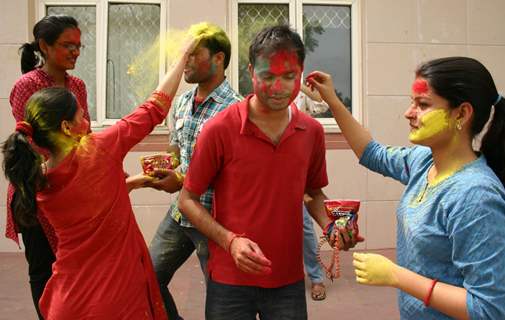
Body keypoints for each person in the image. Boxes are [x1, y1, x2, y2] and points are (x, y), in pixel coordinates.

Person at [2, 39, 196, 319]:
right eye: (81, 114)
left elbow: (91, 203)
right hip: (114, 297)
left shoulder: (38, 178)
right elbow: (155, 107)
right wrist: (182, 56)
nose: (88, 121)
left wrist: (137, 181)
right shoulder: (99, 149)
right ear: (67, 127)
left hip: (68, 300)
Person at [178, 25, 358, 319]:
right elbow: (187, 200)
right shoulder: (219, 129)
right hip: (229, 280)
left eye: (289, 77)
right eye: (267, 76)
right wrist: (230, 241)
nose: (279, 88)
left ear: (301, 72)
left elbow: (313, 194)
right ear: (251, 72)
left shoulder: (310, 131)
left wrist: (332, 226)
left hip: (287, 281)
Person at [307, 57, 505, 319]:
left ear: (462, 113)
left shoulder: (476, 196)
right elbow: (372, 153)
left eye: (422, 104)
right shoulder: (425, 161)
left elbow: (489, 309)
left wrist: (397, 276)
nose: (408, 112)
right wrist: (332, 101)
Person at [146, 22, 241, 320]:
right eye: (182, 53)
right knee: (146, 280)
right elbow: (177, 153)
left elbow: (233, 173)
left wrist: (180, 180)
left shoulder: (236, 111)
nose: (183, 60)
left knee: (223, 304)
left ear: (218, 59)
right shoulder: (182, 102)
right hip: (179, 214)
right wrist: (161, 168)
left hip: (214, 220)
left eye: (192, 53)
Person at [6, 14, 90, 319]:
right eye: (68, 45)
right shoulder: (27, 86)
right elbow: (34, 144)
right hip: (36, 192)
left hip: (70, 191)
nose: (75, 52)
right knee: (43, 270)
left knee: (73, 266)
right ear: (44, 45)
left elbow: (85, 135)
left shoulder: (77, 86)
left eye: (79, 46)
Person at [296, 86, 330, 301]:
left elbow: (321, 105)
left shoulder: (302, 90)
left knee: (305, 226)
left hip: (298, 165)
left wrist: (301, 86)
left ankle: (316, 278)